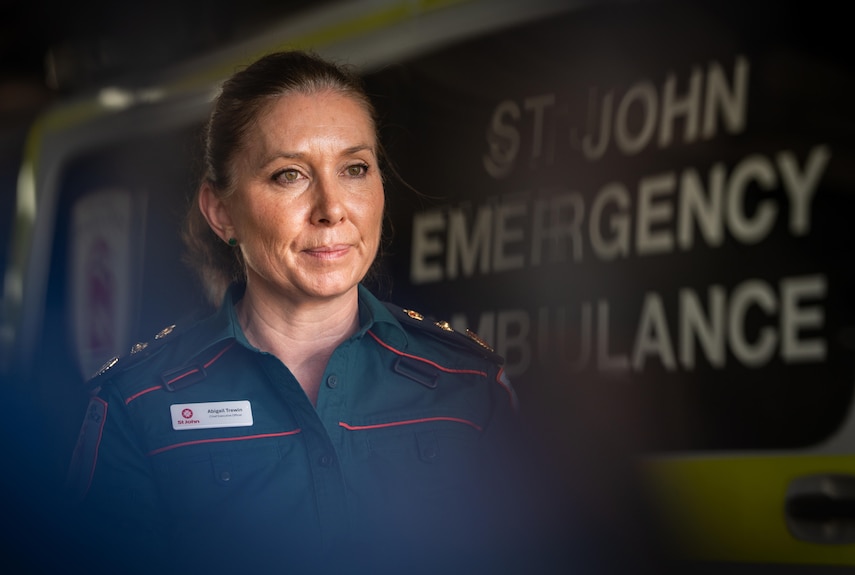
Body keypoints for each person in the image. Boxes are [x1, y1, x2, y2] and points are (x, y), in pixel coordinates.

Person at [64, 50, 538, 575]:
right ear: (221, 211)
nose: (332, 208)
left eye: (355, 169)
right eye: (289, 175)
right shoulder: (136, 404)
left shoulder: (470, 384)